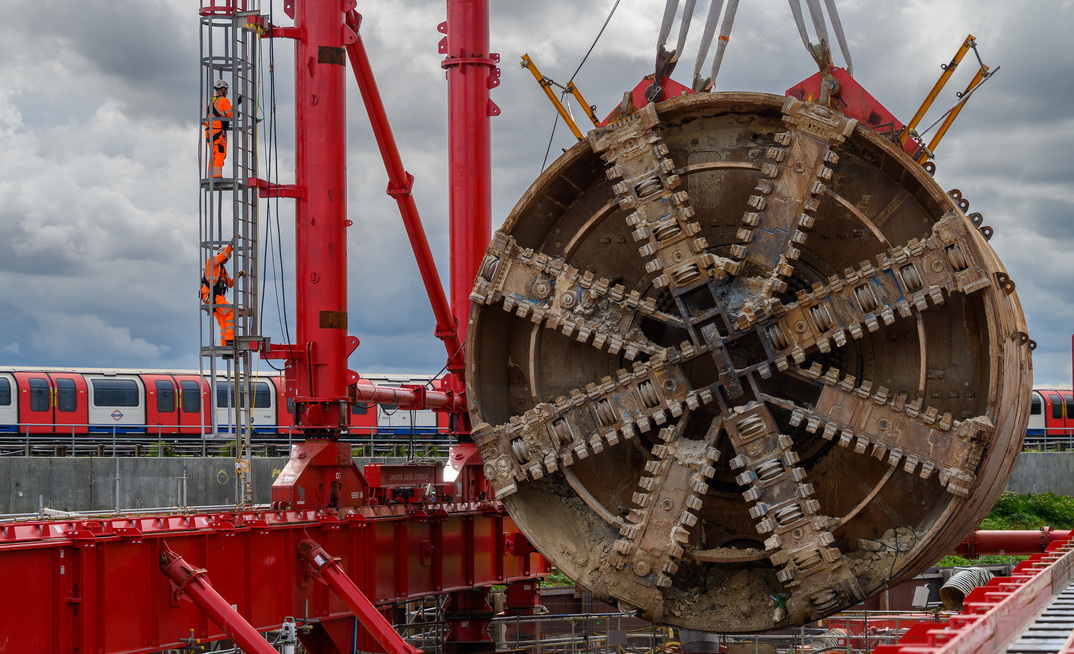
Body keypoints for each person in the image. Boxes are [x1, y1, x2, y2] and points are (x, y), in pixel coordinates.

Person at [201, 244, 235, 346]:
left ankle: (225, 346)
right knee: (232, 311)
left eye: (227, 260)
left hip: (215, 297)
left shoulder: (223, 270)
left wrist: (239, 275)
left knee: (224, 322)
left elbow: (230, 283)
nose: (226, 261)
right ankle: (230, 340)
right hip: (210, 296)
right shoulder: (212, 261)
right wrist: (231, 244)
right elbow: (224, 255)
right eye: (225, 259)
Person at [205, 79, 232, 178]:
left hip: (209, 131)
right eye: (226, 90)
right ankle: (216, 176)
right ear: (223, 89)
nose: (227, 92)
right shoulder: (224, 100)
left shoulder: (213, 101)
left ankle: (210, 176)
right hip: (218, 130)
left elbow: (219, 112)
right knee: (220, 152)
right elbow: (230, 114)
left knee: (213, 153)